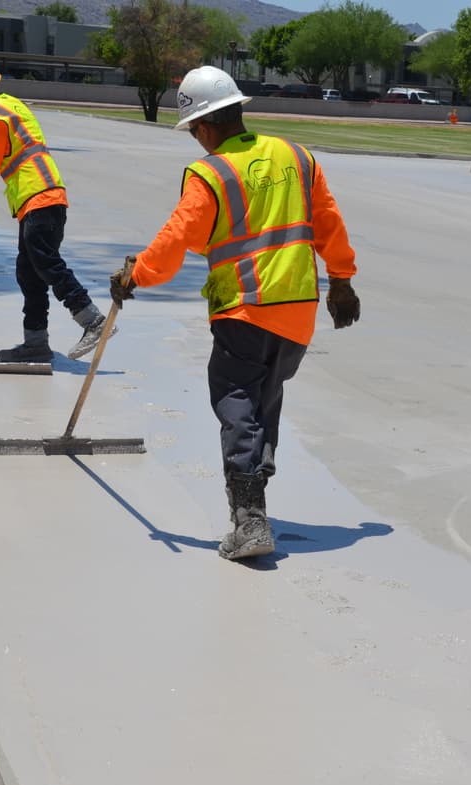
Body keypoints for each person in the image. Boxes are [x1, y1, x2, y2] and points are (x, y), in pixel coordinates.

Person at [109, 66, 361, 561]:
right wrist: (343, 281)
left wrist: (135, 274)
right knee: (265, 401)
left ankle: (249, 520)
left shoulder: (212, 172)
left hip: (245, 309)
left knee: (236, 400)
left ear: (201, 126)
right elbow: (328, 222)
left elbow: (175, 239)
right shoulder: (296, 155)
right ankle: (254, 500)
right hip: (298, 311)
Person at [0, 64, 113, 362]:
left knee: (46, 263)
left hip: (39, 197)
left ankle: (92, 320)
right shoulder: (10, 104)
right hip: (47, 197)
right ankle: (36, 342)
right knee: (30, 271)